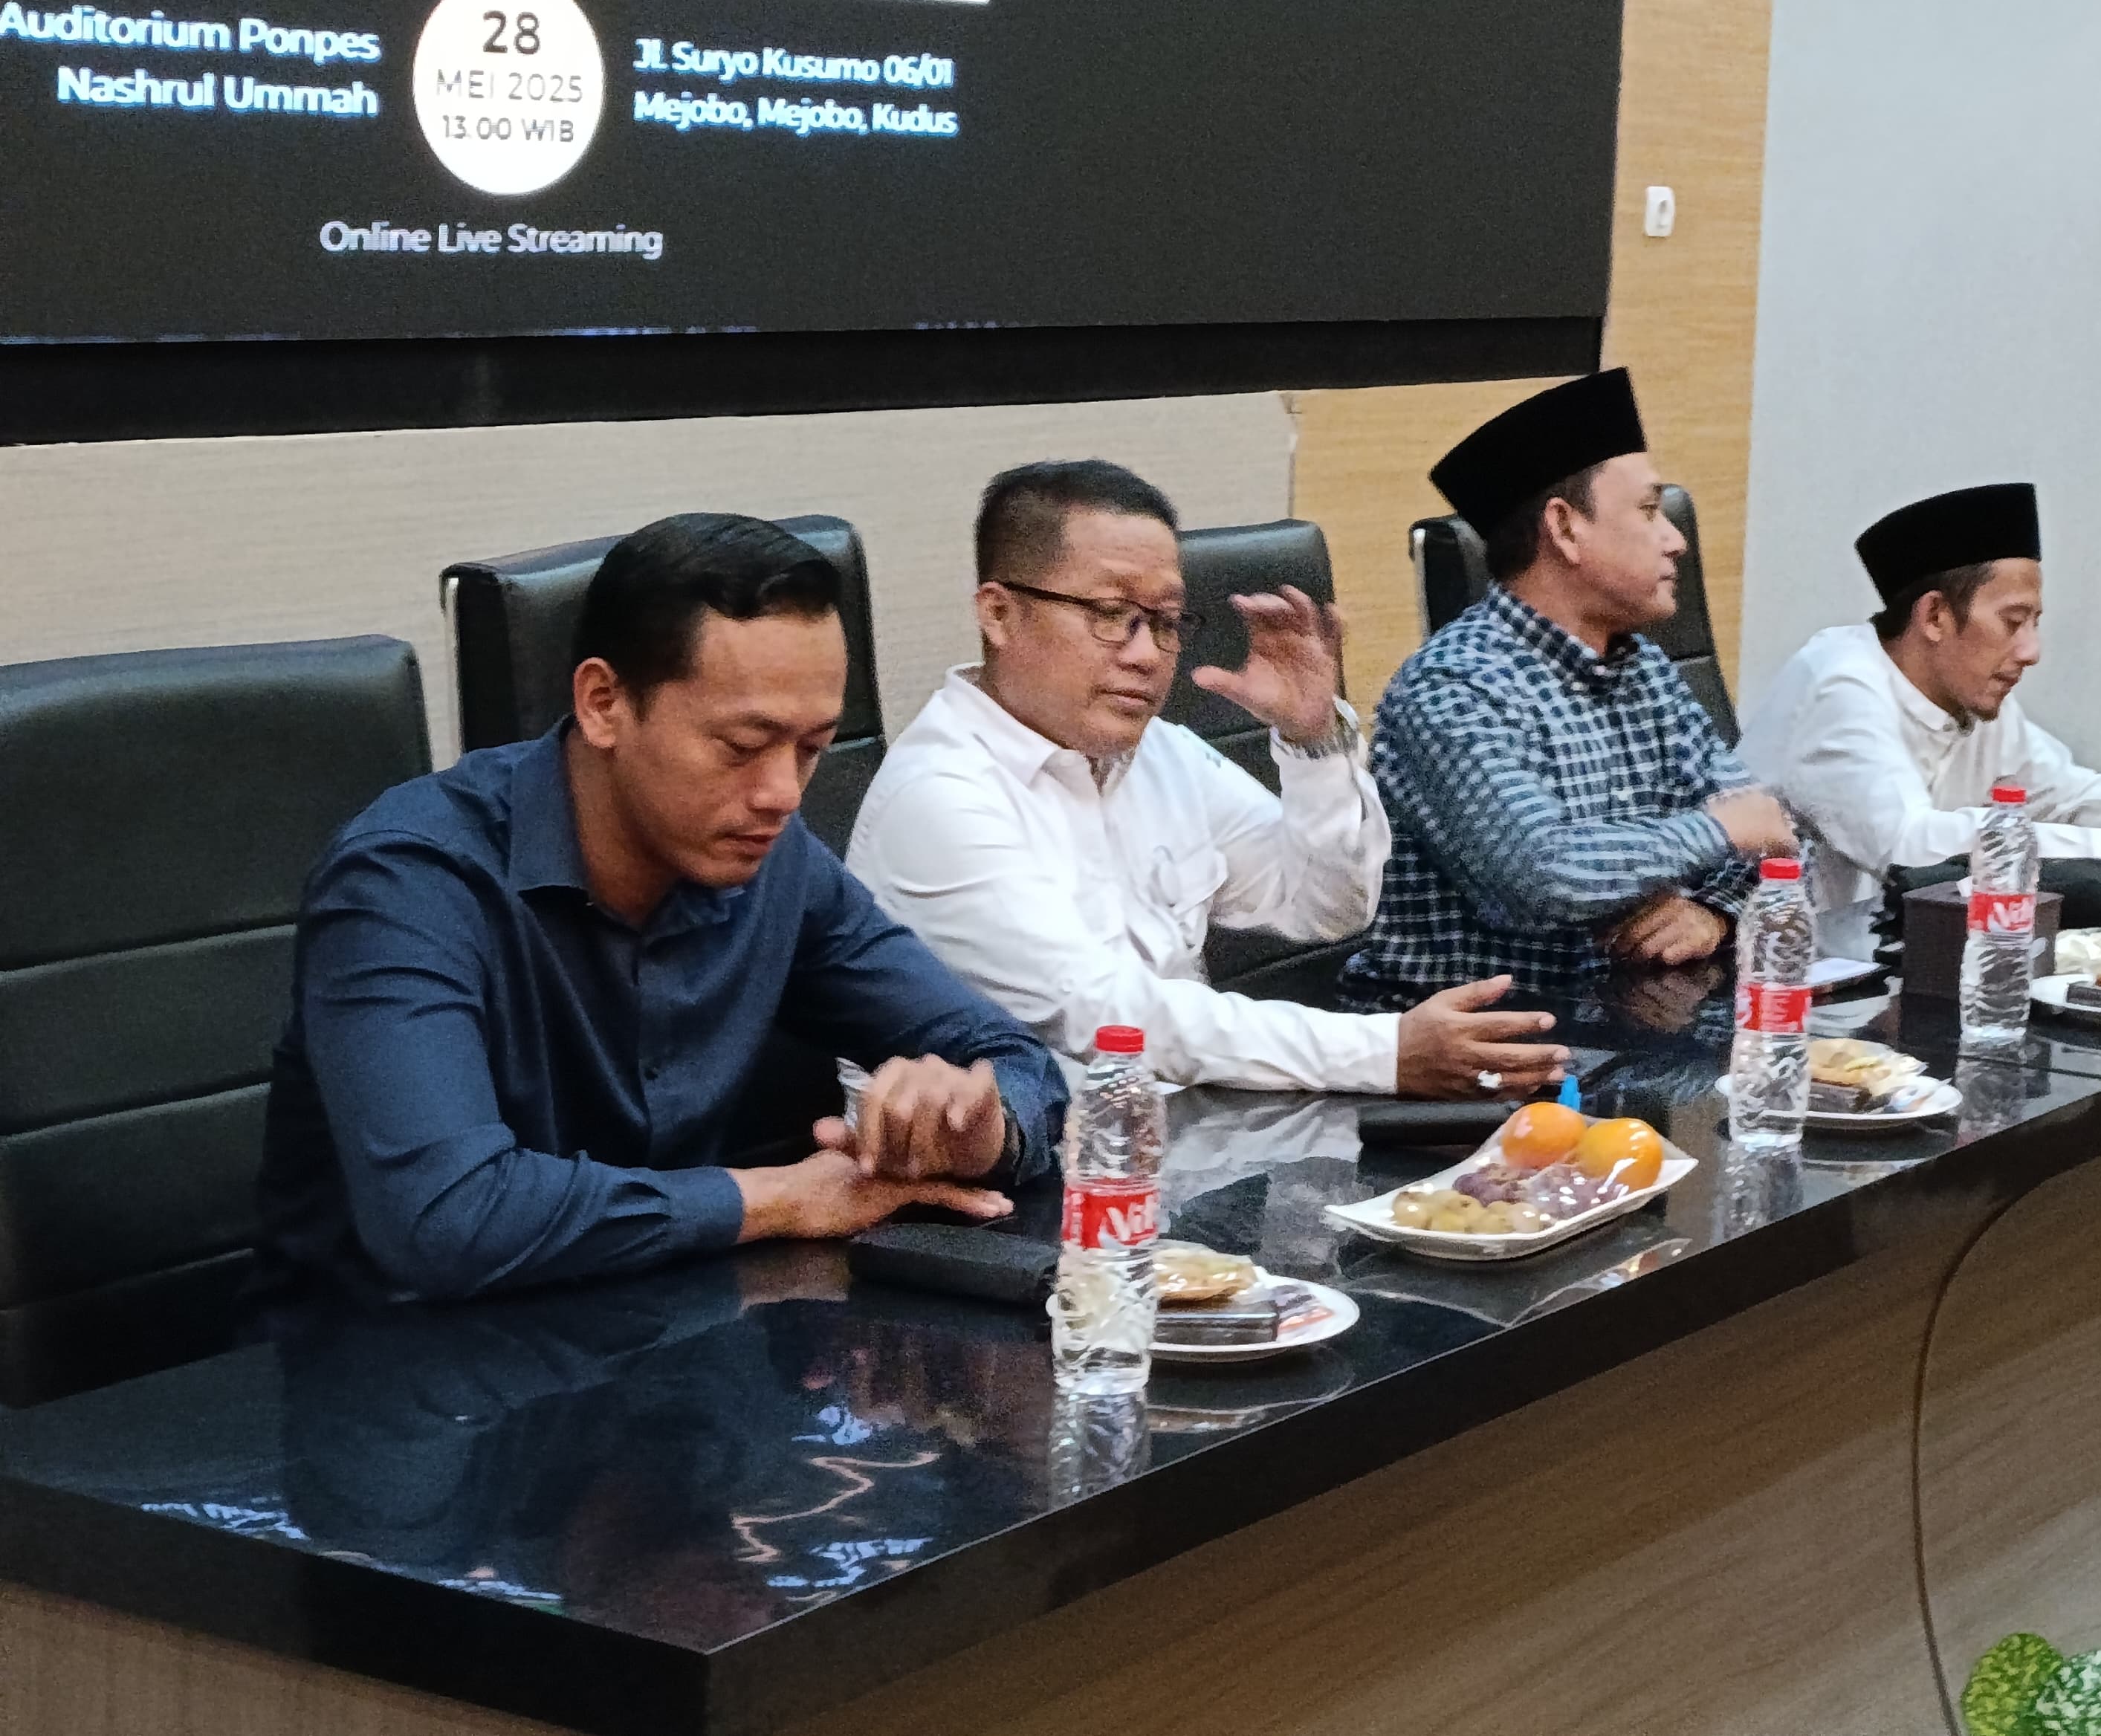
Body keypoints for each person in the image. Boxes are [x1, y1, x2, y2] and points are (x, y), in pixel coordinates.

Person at [247, 515, 1066, 1324]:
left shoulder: (773, 859)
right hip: (398, 1368)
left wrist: (978, 1125)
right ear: (604, 703)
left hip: (669, 1330)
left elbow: (1018, 1062)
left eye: (812, 748)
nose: (783, 793)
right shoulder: (409, 880)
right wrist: (780, 1198)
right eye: (742, 746)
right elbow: (446, 1217)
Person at [848, 460, 1564, 1098]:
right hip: (1017, 1168)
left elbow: (1327, 908)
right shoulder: (940, 794)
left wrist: (1314, 741)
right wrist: (1386, 1052)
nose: (1145, 654)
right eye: (1110, 615)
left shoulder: (1161, 752)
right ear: (999, 612)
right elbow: (1111, 1016)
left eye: (1165, 620)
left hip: (1189, 1127)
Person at [1345, 369, 1798, 1015]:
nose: (1676, 540)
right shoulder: (1453, 686)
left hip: (1628, 1024)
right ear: (1564, 528)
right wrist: (1718, 829)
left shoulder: (1643, 668)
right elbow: (1545, 874)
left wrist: (1713, 911)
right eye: (1649, 511)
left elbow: (1775, 830)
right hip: (1476, 1046)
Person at [1742, 484, 2101, 956]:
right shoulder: (1840, 684)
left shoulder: (1969, 691)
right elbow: (1909, 848)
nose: (2031, 651)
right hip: (1771, 980)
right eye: (2013, 622)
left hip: (1901, 957)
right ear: (1934, 616)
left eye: (2034, 623)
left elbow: (2061, 792)